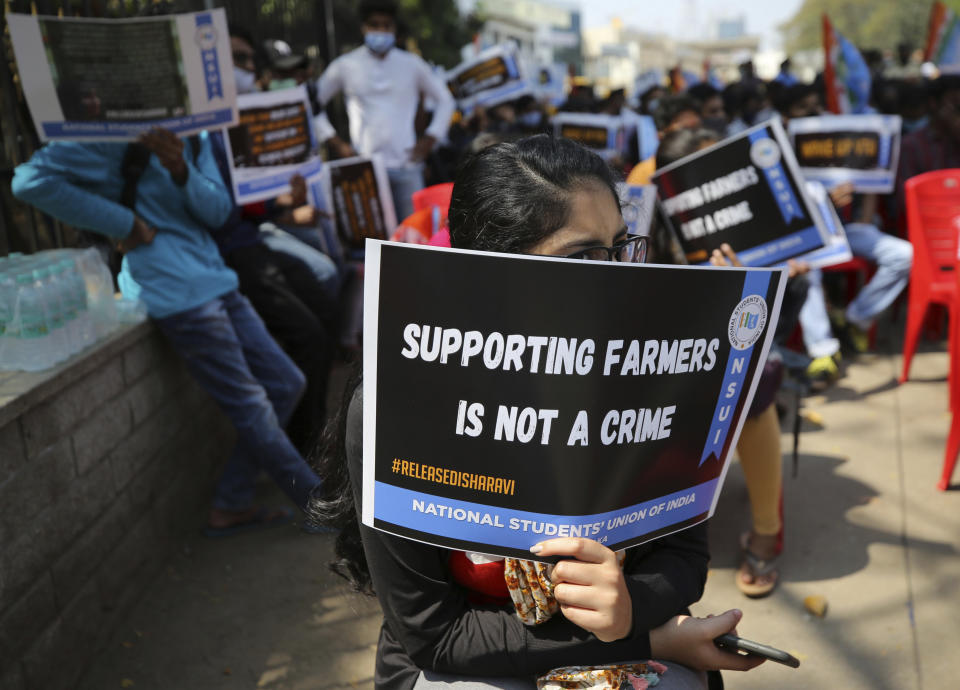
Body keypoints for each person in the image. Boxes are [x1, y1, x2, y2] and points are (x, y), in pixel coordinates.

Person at [309, 135, 766, 689]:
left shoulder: (653, 372)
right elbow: (434, 635)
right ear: (493, 274)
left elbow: (685, 555)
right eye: (583, 258)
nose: (620, 277)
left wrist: (629, 606)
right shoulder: (393, 406)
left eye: (621, 246)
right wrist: (643, 638)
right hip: (462, 665)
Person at [12, 129, 323, 535]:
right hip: (174, 292)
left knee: (286, 382)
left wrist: (180, 169)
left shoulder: (199, 130)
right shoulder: (104, 137)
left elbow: (217, 213)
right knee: (254, 406)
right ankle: (320, 509)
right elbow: (28, 181)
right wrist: (124, 222)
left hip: (216, 278)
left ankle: (231, 502)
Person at [777, 84, 913, 384]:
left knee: (905, 255)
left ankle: (855, 318)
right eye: (804, 110)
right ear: (786, 117)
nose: (813, 115)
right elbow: (784, 220)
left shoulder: (839, 142)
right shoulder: (776, 156)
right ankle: (823, 350)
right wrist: (824, 202)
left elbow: (870, 192)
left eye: (816, 107)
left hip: (843, 232)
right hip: (805, 240)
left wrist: (863, 213)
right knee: (806, 271)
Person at [313, 0, 456, 221]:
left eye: (386, 25)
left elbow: (446, 101)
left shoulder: (412, 65)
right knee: (370, 242)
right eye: (374, 24)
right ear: (363, 28)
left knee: (414, 239)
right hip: (365, 170)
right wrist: (336, 143)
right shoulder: (345, 65)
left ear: (394, 29)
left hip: (407, 166)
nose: (380, 30)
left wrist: (430, 139)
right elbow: (313, 104)